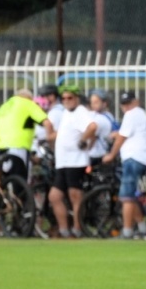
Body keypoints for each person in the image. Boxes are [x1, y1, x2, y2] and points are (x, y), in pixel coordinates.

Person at [49, 85, 98, 238]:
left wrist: (83, 140)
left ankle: (77, 229)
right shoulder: (67, 113)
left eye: (69, 98)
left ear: (77, 98)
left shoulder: (80, 112)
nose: (66, 101)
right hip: (63, 162)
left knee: (75, 196)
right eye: (63, 98)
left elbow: (92, 127)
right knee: (54, 196)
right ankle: (64, 229)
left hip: (75, 161)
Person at [105, 91, 146, 240]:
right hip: (140, 158)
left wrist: (111, 155)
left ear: (135, 102)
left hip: (133, 158)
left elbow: (122, 137)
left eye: (128, 103)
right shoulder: (139, 113)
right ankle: (143, 229)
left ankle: (127, 231)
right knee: (131, 196)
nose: (126, 107)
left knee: (125, 197)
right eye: (124, 104)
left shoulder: (131, 114)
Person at [0, 87, 50, 180]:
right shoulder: (27, 104)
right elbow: (46, 122)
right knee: (20, 182)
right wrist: (52, 135)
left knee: (2, 178)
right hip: (17, 148)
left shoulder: (4, 106)